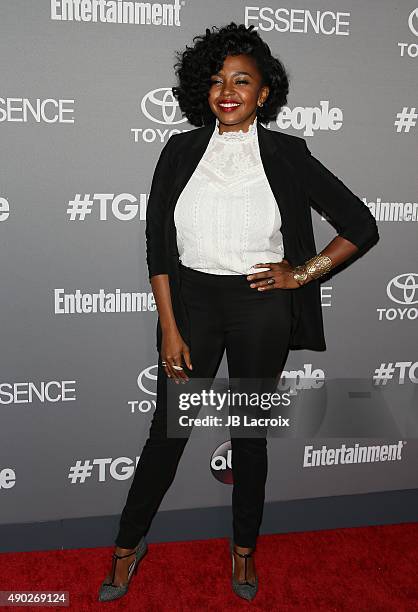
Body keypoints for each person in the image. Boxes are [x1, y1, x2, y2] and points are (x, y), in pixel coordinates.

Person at [98, 22, 379, 603]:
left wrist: (300, 274)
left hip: (261, 309)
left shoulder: (287, 153)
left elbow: (360, 226)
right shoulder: (179, 150)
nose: (228, 90)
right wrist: (169, 327)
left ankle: (244, 550)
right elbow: (158, 245)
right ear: (203, 90)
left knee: (250, 437)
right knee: (166, 435)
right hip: (192, 306)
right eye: (218, 81)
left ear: (264, 93)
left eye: (242, 80)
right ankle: (128, 545)